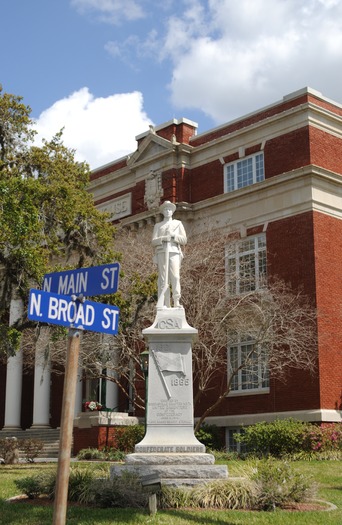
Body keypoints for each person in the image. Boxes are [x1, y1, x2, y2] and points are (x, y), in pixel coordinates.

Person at [152, 201, 187, 308]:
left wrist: (173, 236)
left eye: (169, 209)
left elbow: (184, 240)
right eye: (166, 209)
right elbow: (153, 241)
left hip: (174, 251)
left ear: (172, 211)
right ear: (163, 212)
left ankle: (176, 301)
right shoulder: (158, 225)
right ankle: (164, 302)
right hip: (162, 252)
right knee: (163, 278)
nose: (168, 211)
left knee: (175, 276)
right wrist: (162, 239)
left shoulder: (178, 224)